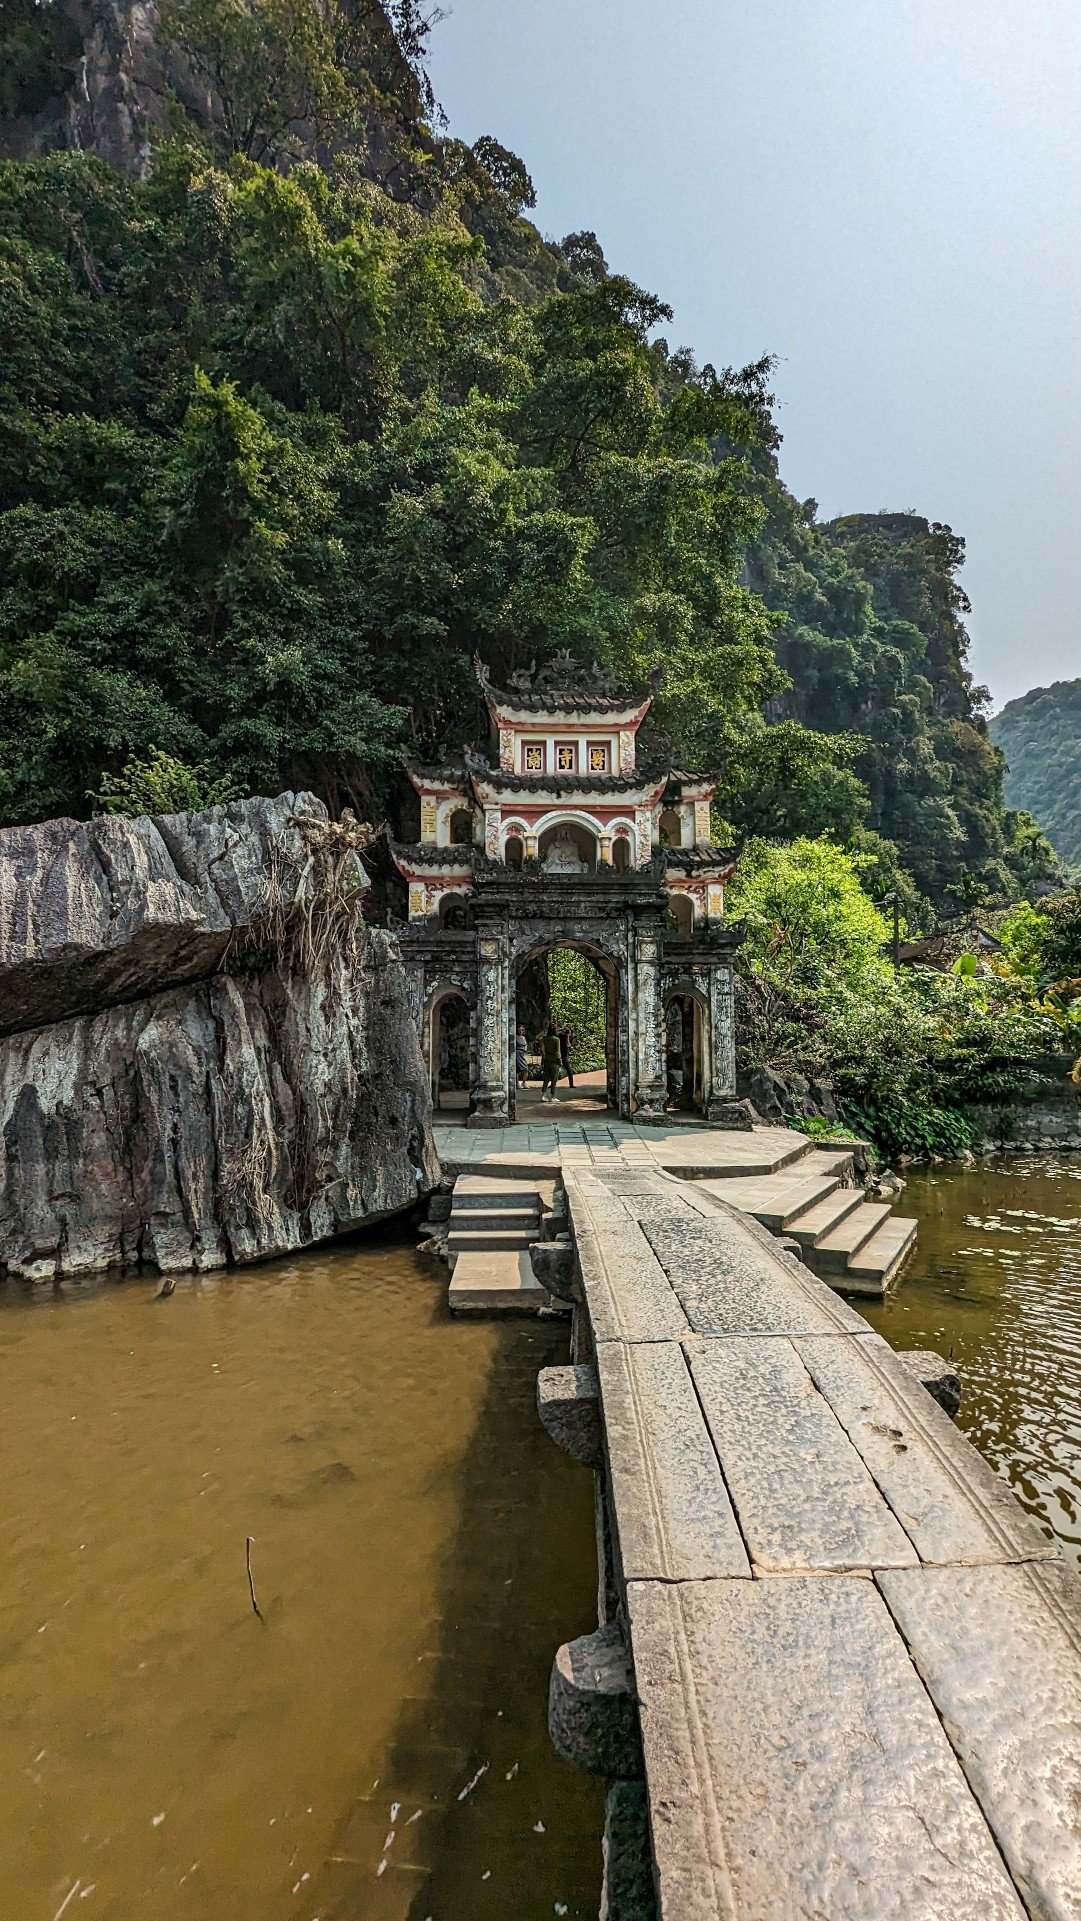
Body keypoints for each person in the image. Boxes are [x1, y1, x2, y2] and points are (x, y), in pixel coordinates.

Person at [539, 1025, 563, 1103]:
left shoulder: (544, 1039)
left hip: (547, 1060)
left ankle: (543, 1095)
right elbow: (558, 1052)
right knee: (554, 1079)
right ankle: (553, 1096)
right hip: (554, 1061)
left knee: (546, 1079)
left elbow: (543, 1050)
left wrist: (544, 1058)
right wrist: (560, 1061)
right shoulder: (556, 1039)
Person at [558, 1024, 575, 1089]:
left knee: (569, 1071)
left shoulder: (568, 1037)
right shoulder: (562, 1036)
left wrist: (567, 1035)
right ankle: (552, 1083)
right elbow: (568, 1045)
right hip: (561, 1055)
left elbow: (569, 1045)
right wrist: (563, 1029)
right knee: (556, 1070)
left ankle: (571, 1084)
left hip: (564, 1056)